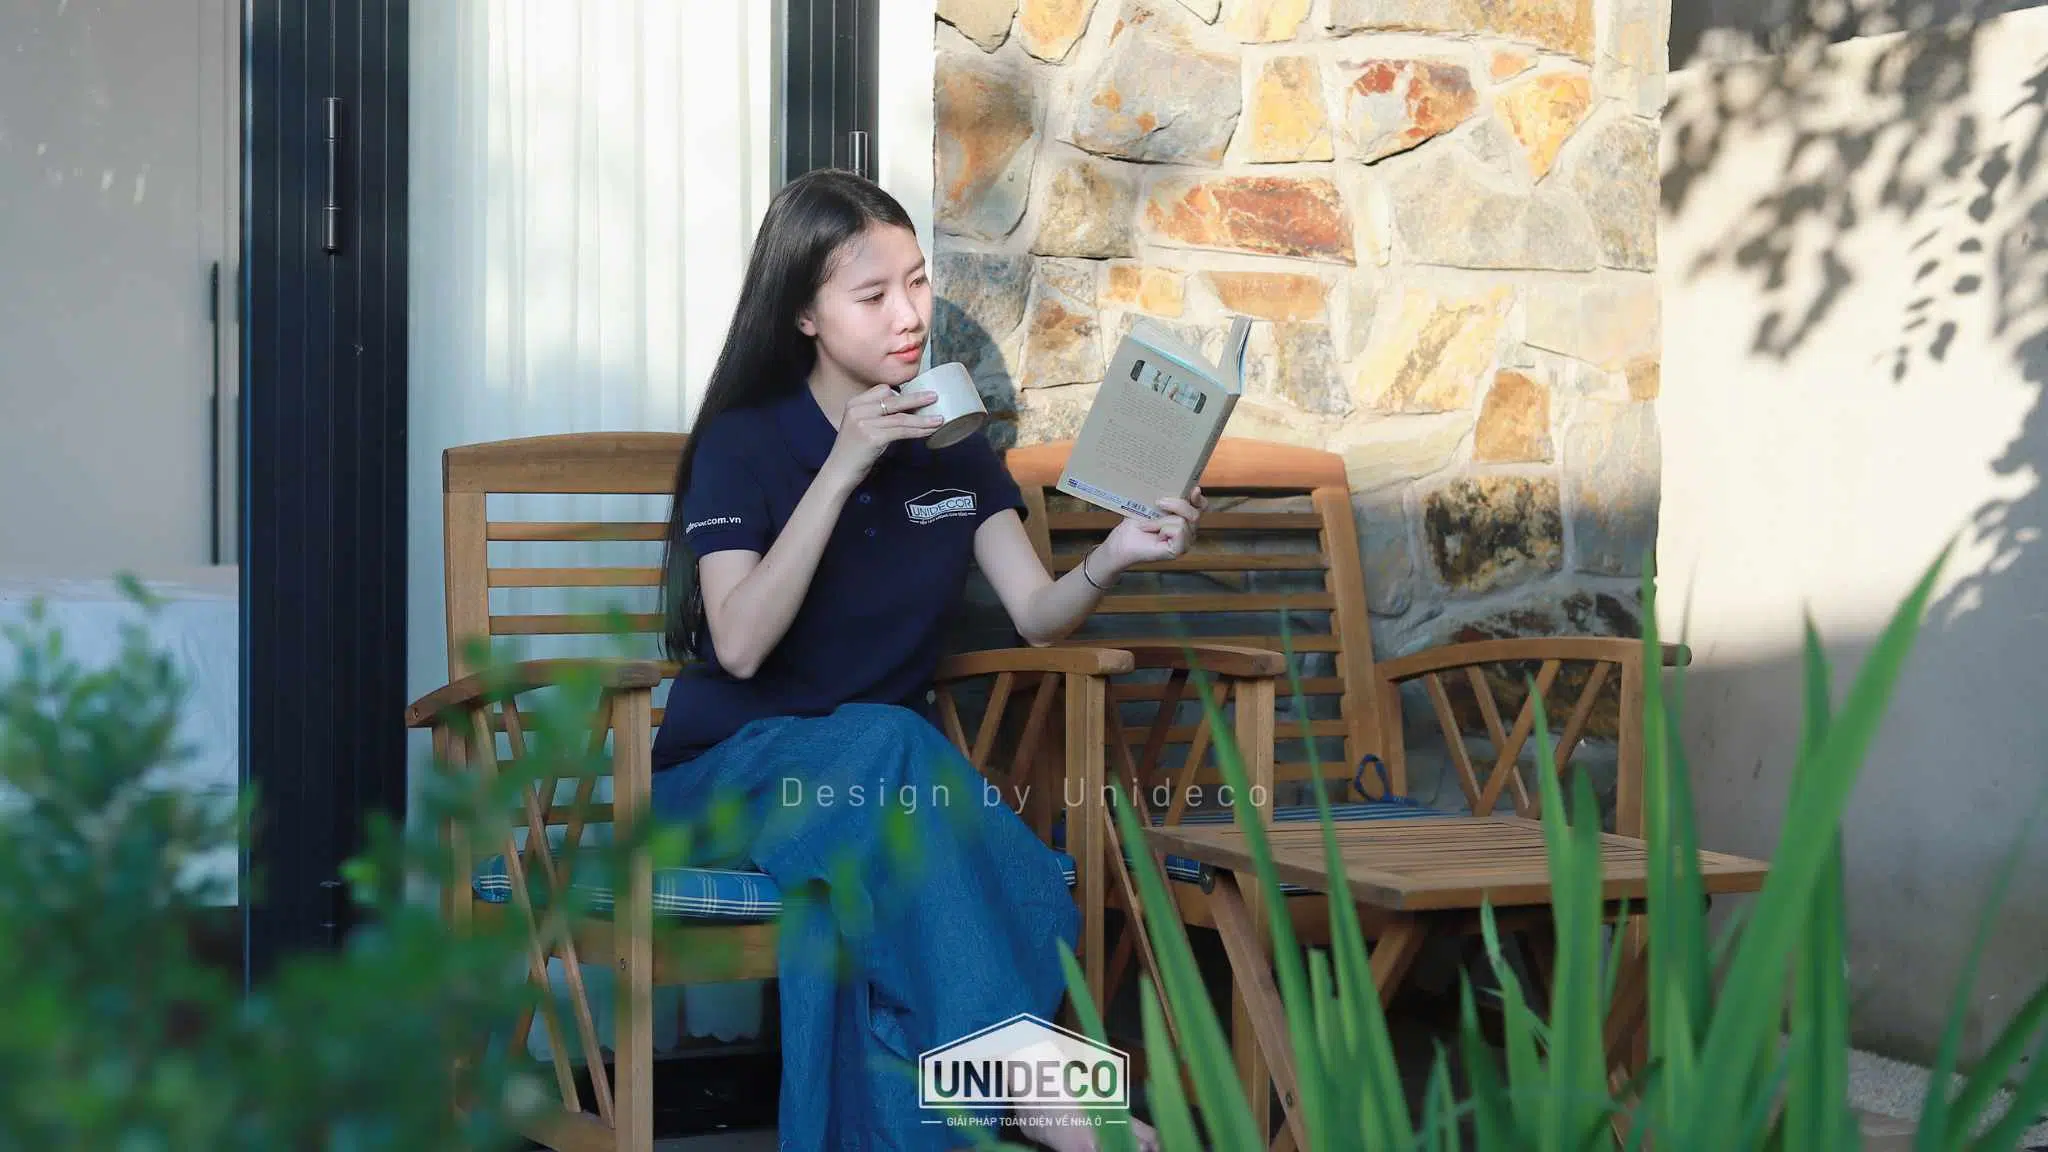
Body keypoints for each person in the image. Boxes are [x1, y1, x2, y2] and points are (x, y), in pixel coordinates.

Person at [647, 167, 1202, 1152]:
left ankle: (998, 1096)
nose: (908, 316)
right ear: (804, 316)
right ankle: (1041, 1087)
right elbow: (738, 642)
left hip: (876, 805)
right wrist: (843, 466)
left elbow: (1037, 616)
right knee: (891, 745)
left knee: (907, 864)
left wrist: (1114, 555)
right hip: (726, 786)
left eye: (916, 281)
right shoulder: (743, 444)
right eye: (872, 295)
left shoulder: (953, 445)